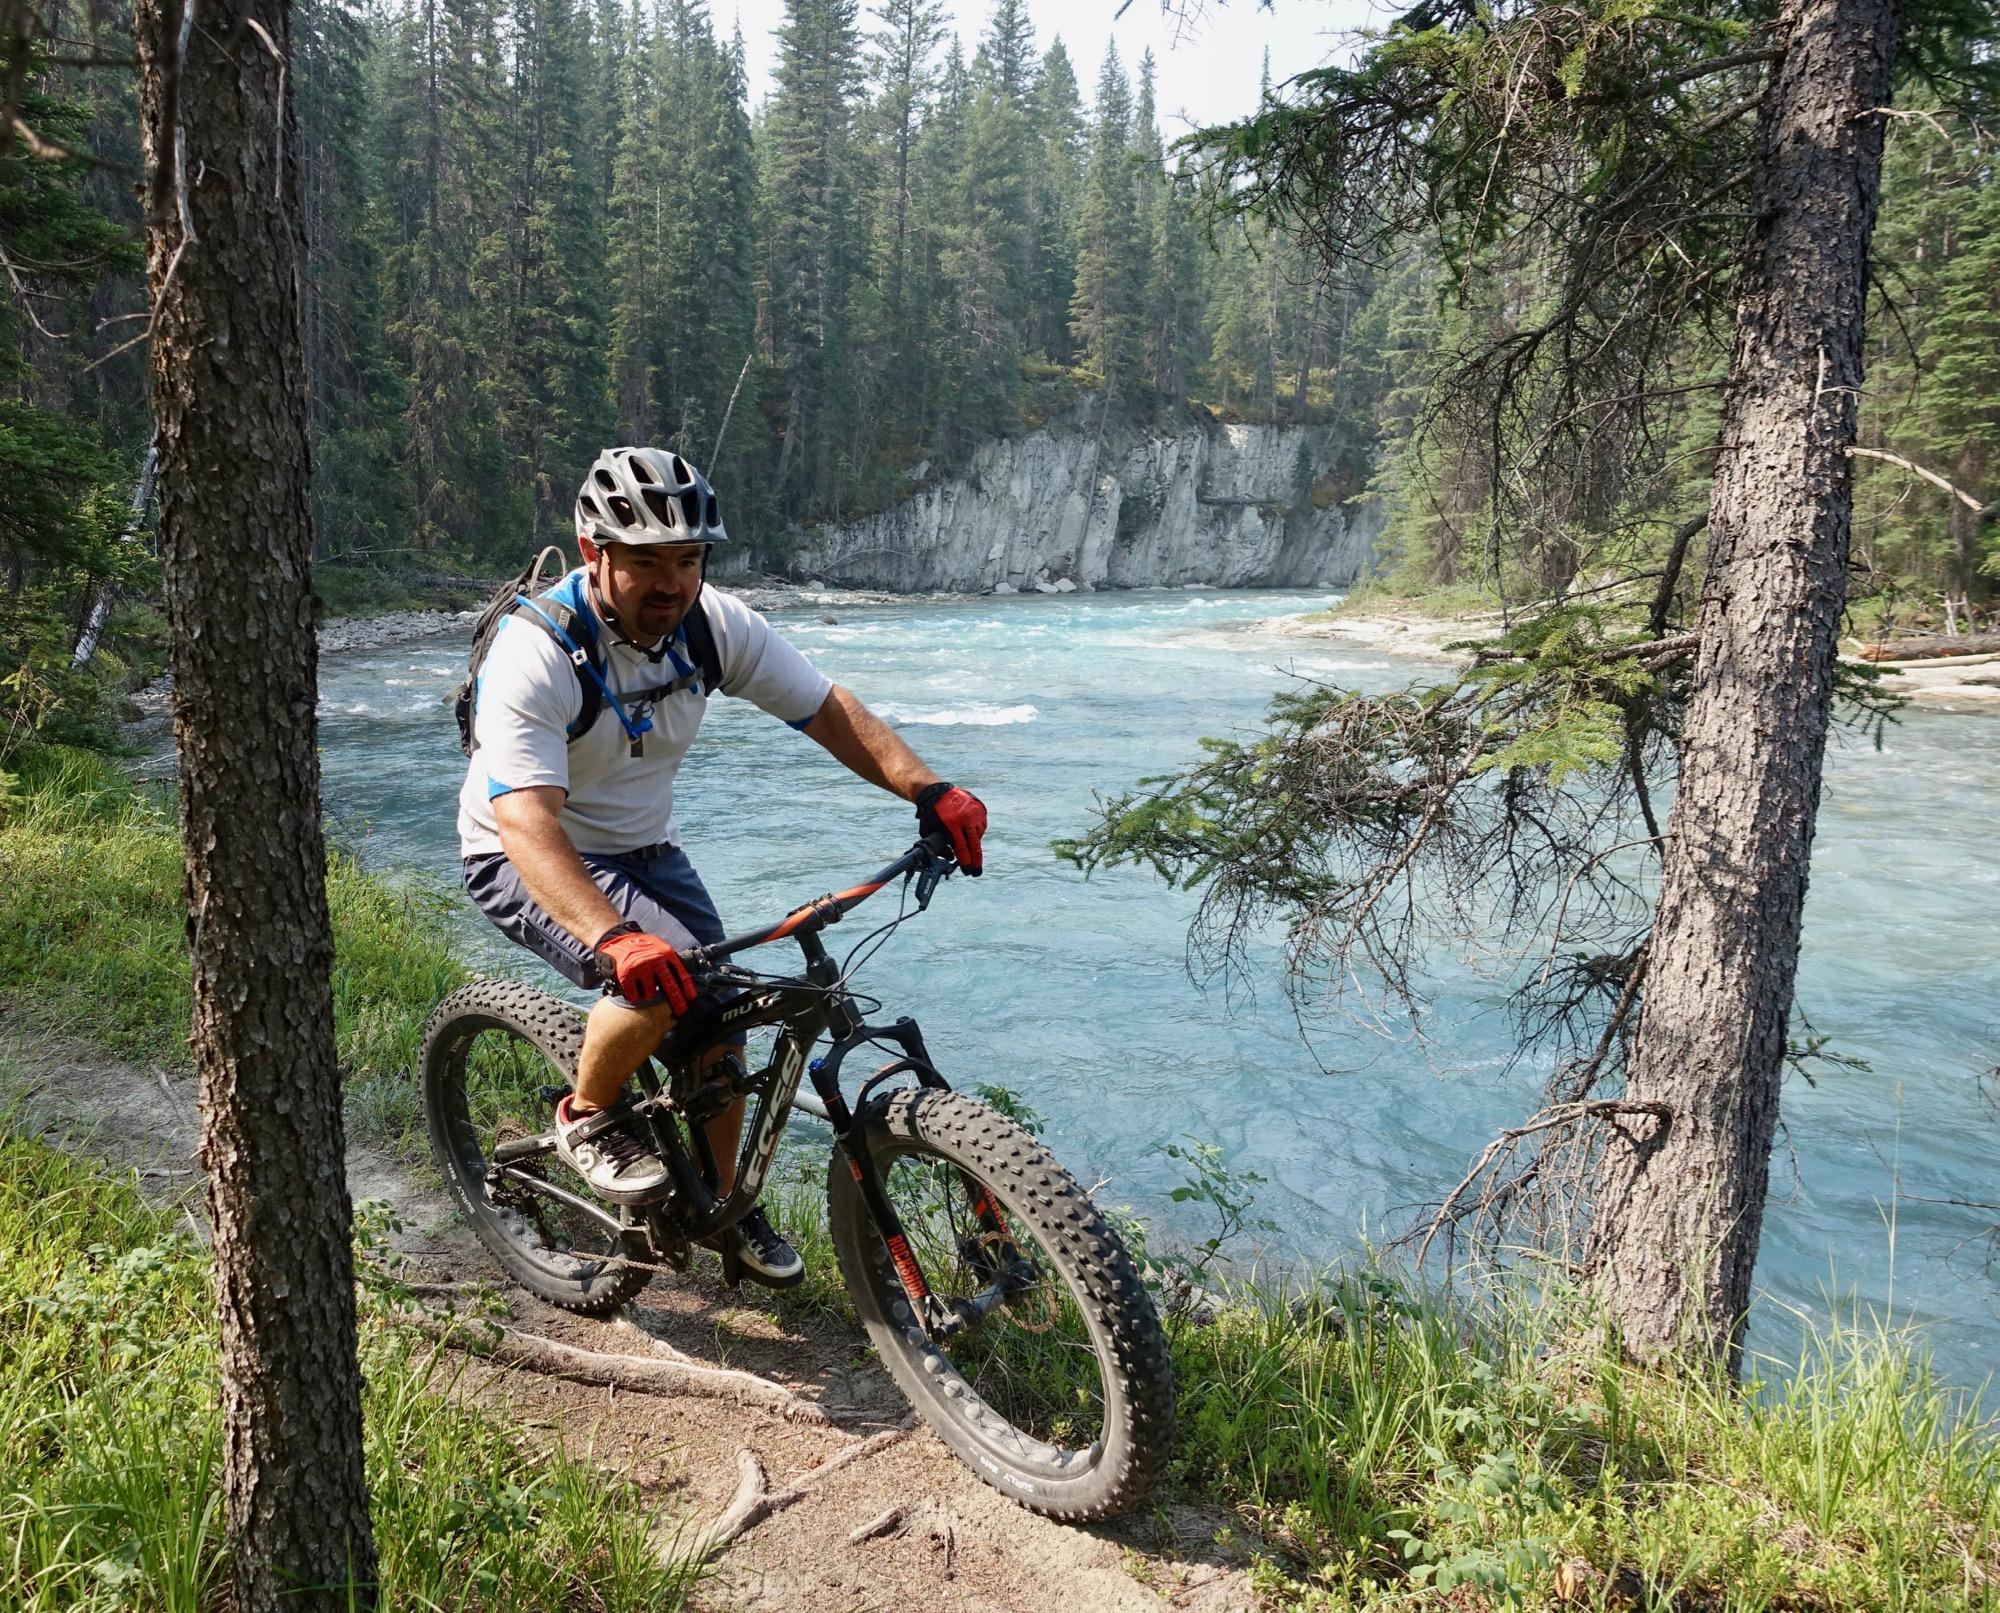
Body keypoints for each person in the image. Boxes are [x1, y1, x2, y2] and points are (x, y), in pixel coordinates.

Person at [457, 446, 987, 1286]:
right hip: (524, 850)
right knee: (653, 982)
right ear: (595, 553)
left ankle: (720, 1206)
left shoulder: (710, 624)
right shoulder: (538, 654)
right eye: (644, 562)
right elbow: (524, 818)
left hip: (643, 847)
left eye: (688, 559)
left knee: (725, 1017)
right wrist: (615, 935)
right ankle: (587, 1115)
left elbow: (822, 706)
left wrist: (930, 789)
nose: (670, 583)